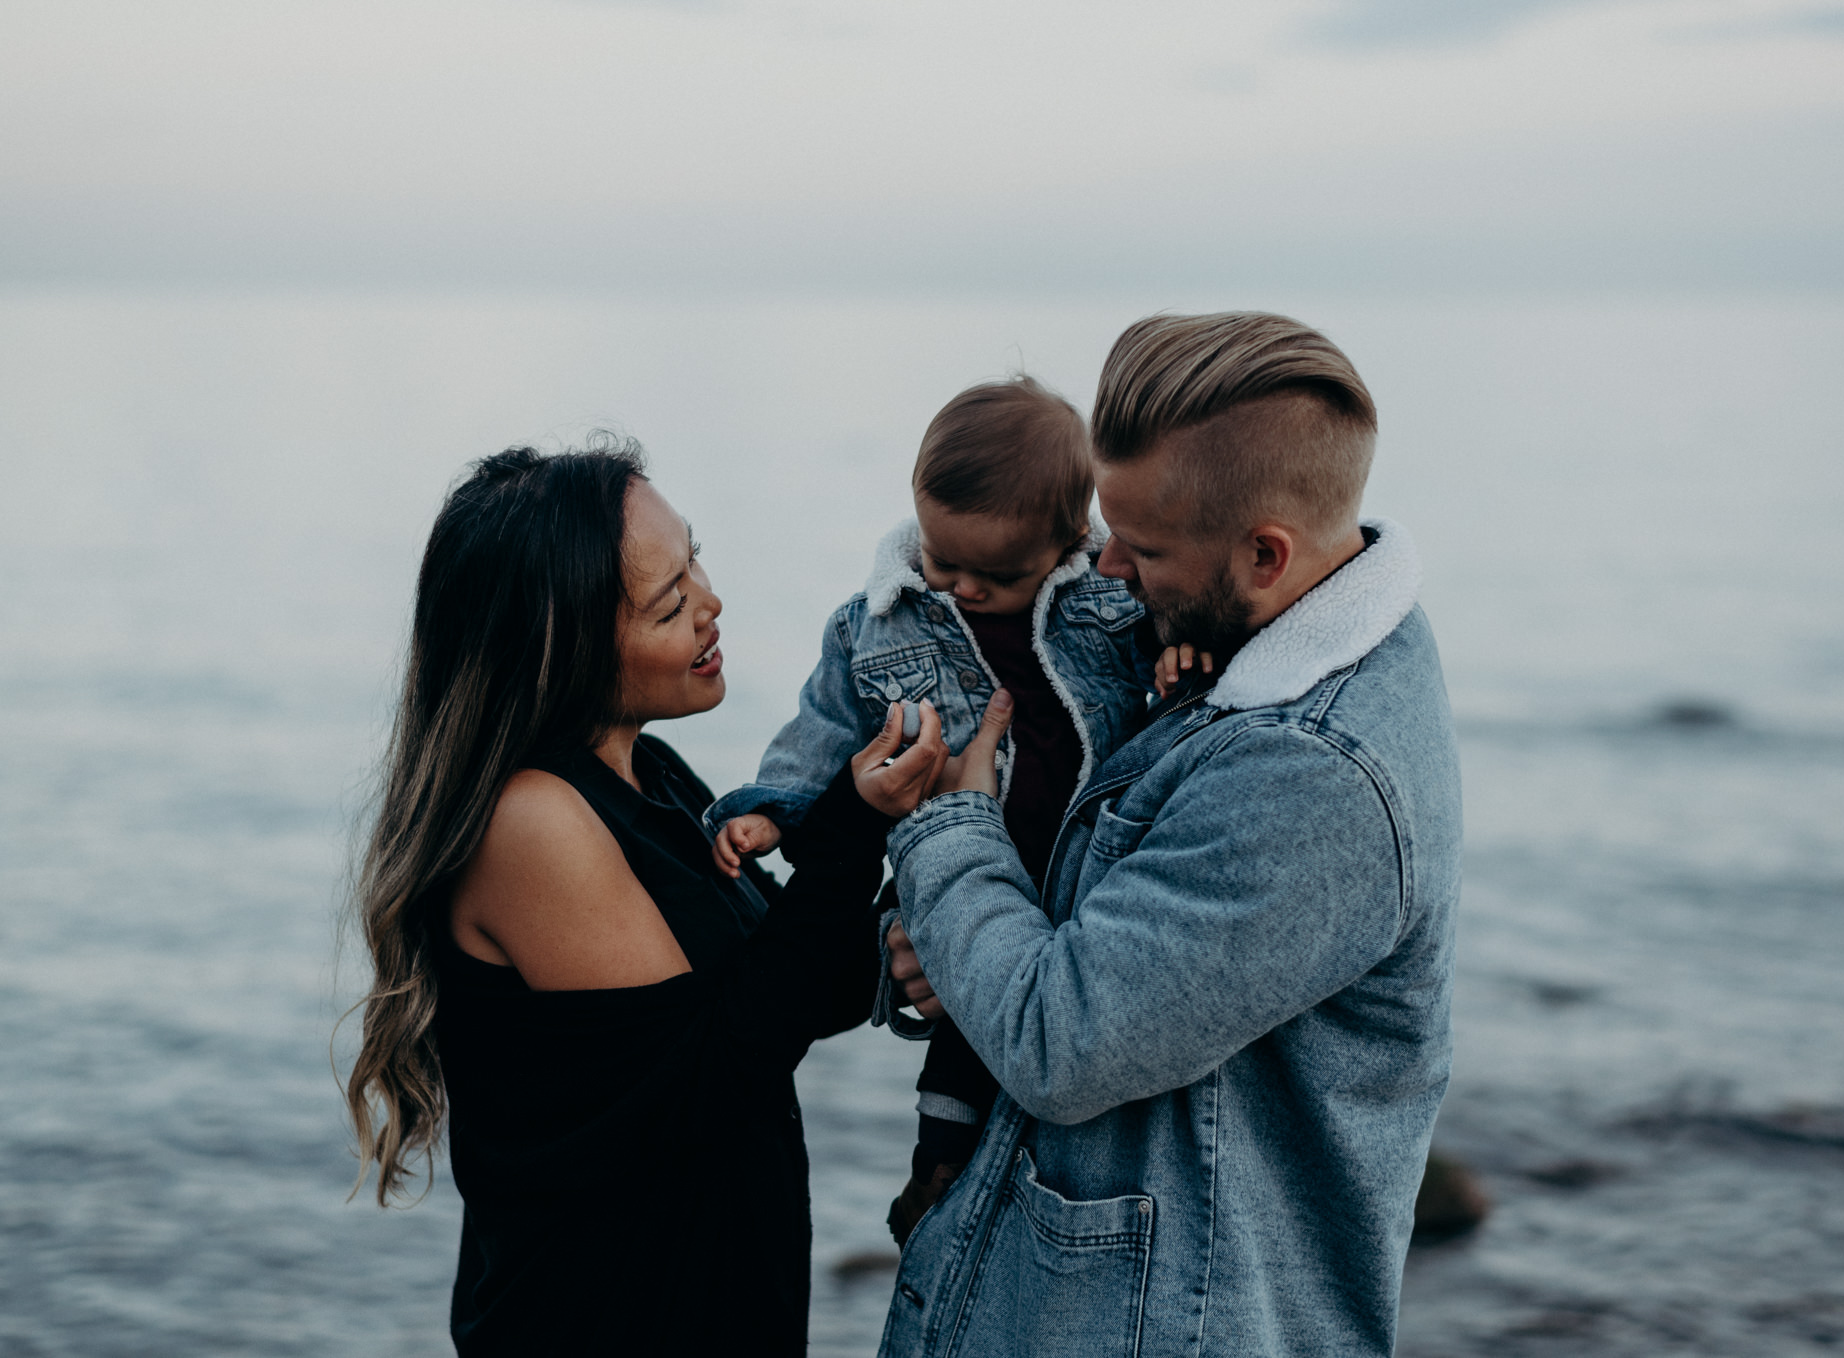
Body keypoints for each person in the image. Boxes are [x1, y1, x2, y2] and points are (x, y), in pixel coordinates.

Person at [878, 313, 1462, 1357]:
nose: (1104, 571)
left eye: (1143, 548)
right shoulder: (1245, 643)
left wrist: (944, 830)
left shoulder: (1313, 778)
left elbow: (1061, 1037)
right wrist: (964, 945)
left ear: (1266, 553)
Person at [341, 438, 951, 1356]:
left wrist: (897, 950)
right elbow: (717, 1061)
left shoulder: (645, 771)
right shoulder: (530, 820)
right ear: (564, 648)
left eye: (693, 559)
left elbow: (775, 978)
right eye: (670, 604)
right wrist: (852, 826)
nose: (710, 604)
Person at [700, 377, 1153, 1243]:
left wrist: (1184, 661)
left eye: (998, 574)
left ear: (1067, 540)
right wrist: (775, 811)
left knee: (1031, 1031)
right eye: (944, 562)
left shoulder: (1113, 601)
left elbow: (1165, 668)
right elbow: (826, 729)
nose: (964, 587)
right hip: (951, 864)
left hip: (1075, 868)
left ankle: (1008, 1192)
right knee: (957, 1023)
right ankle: (936, 1168)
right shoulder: (874, 626)